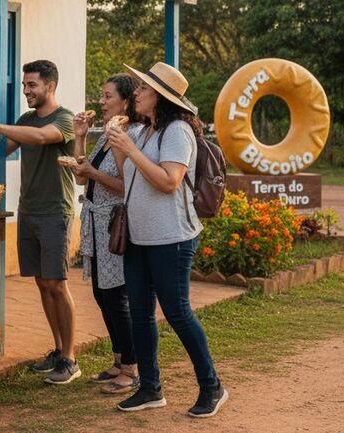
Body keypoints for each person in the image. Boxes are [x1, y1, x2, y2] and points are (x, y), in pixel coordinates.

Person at [107, 62, 227, 417]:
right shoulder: (144, 131)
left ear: (160, 96)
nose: (137, 94)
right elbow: (130, 172)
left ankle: (212, 386)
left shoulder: (177, 131)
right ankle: (150, 388)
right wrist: (119, 142)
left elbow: (169, 181)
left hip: (172, 236)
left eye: (143, 89)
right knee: (141, 314)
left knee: (177, 312)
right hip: (140, 237)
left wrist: (129, 148)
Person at [0, 60, 79, 385]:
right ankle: (58, 350)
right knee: (42, 283)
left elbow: (43, 138)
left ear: (50, 86)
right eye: (25, 86)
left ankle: (71, 358)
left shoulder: (65, 119)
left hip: (56, 211)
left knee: (58, 283)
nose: (27, 91)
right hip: (28, 209)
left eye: (32, 85)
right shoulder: (26, 119)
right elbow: (6, 149)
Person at [69, 74, 142, 394]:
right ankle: (119, 359)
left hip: (115, 225)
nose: (102, 101)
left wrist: (93, 172)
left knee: (117, 296)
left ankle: (132, 367)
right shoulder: (107, 134)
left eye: (108, 96)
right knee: (102, 294)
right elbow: (83, 179)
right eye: (102, 95)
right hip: (96, 224)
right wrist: (80, 137)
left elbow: (129, 186)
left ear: (126, 102)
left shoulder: (129, 135)